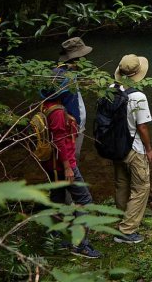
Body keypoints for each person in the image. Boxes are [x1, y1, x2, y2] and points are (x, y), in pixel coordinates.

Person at [39, 79, 102, 259]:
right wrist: (68, 167)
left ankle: (55, 238)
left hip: (51, 164)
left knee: (57, 198)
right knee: (85, 200)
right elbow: (60, 141)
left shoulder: (46, 105)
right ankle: (80, 244)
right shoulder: (58, 112)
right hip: (63, 165)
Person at [112, 54, 152, 244]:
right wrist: (149, 149)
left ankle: (123, 219)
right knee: (141, 187)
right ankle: (127, 231)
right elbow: (142, 127)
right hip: (134, 148)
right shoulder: (138, 97)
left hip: (115, 145)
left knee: (122, 183)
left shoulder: (110, 89)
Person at [54, 37, 92, 160]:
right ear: (76, 58)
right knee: (71, 162)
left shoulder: (68, 73)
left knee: (73, 160)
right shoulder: (64, 77)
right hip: (71, 130)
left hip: (75, 128)